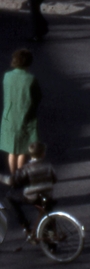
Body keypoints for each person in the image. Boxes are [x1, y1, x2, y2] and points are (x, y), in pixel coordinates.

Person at [2, 48, 42, 176]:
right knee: (23, 149)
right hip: (25, 115)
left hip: (8, 116)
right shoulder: (30, 79)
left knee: (12, 149)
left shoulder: (7, 76)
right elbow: (37, 96)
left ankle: (13, 176)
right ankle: (20, 175)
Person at [3, 141, 55, 238]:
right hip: (47, 195)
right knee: (47, 211)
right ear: (43, 154)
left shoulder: (27, 168)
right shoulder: (49, 166)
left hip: (33, 196)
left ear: (30, 155)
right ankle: (51, 242)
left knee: (9, 198)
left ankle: (25, 224)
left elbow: (12, 181)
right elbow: (54, 179)